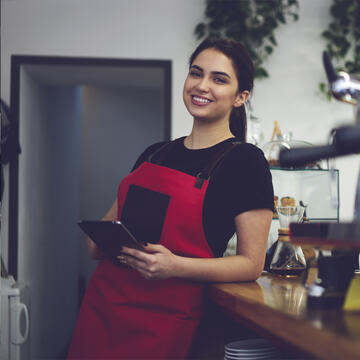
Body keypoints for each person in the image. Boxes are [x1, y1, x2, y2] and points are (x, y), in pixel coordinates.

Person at [68, 38, 274, 359]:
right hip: (103, 310)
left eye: (219, 79)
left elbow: (251, 264)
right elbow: (104, 235)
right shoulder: (155, 153)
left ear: (240, 97)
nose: (202, 85)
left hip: (163, 322)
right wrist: (101, 240)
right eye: (196, 73)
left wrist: (174, 266)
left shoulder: (245, 162)